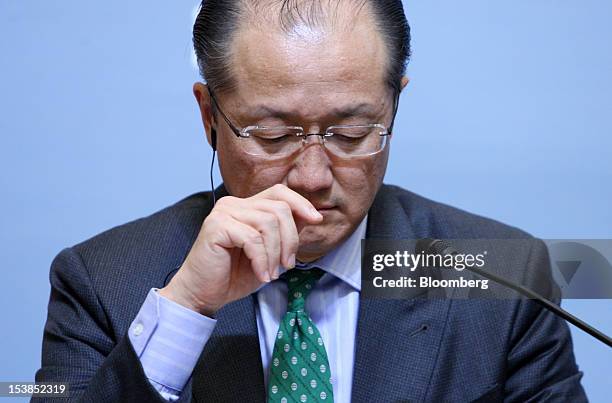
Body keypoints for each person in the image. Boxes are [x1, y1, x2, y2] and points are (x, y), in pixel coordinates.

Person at [35, 0, 587, 402]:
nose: (313, 177)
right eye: (273, 136)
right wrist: (184, 312)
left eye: (351, 134)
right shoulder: (101, 282)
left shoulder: (505, 276)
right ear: (209, 117)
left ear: (394, 109)